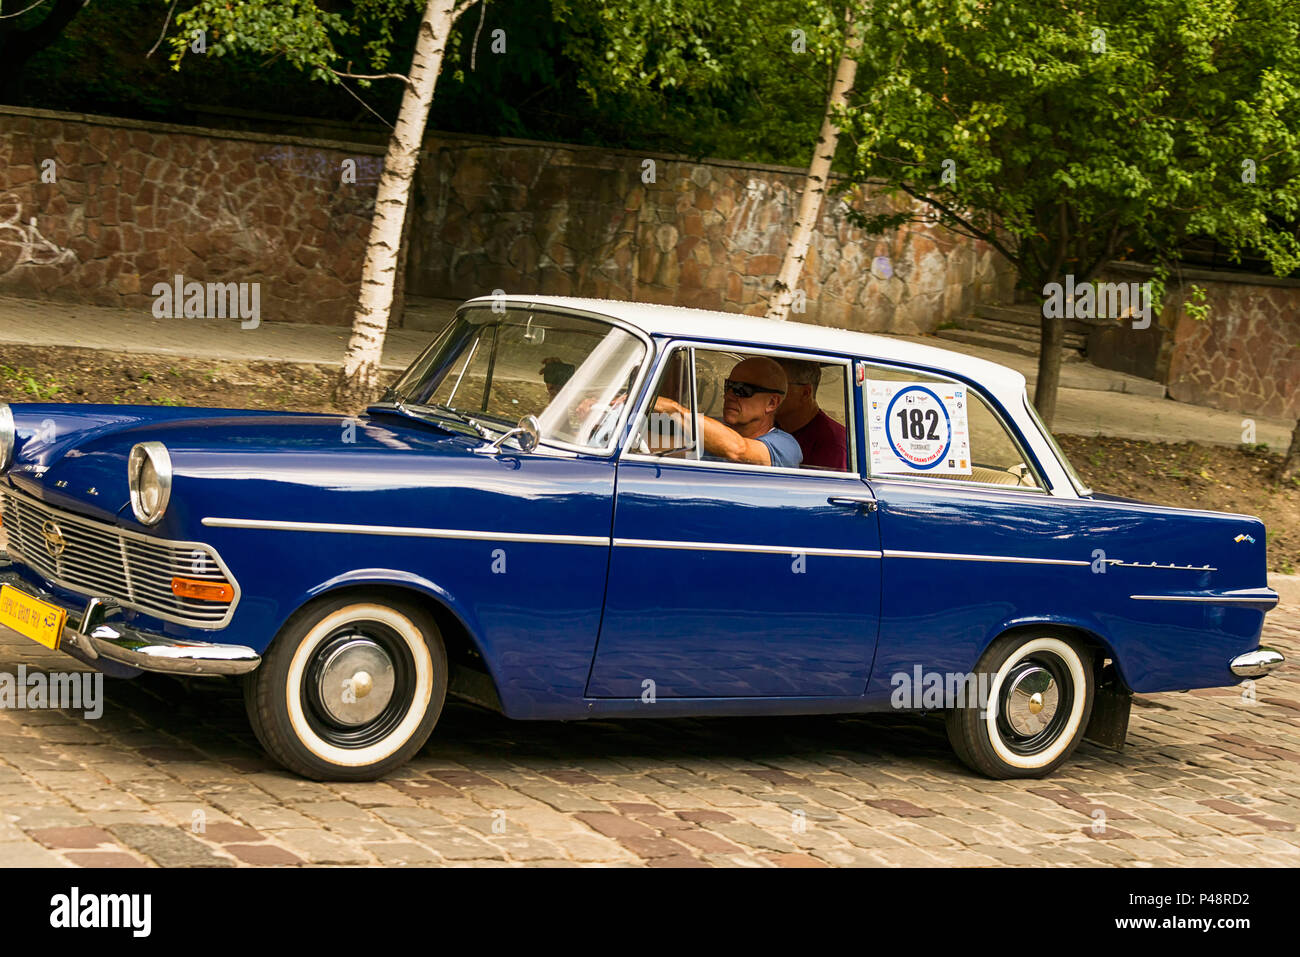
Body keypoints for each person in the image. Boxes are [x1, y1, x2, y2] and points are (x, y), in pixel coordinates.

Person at [653, 356, 802, 468]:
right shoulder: (715, 435)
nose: (729, 395)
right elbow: (657, 445)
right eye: (728, 386)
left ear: (771, 403)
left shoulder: (786, 445)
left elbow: (738, 450)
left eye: (742, 390)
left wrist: (671, 408)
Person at [776, 358, 847, 470]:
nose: (766, 392)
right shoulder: (770, 425)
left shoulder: (832, 443)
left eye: (777, 385)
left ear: (805, 393)